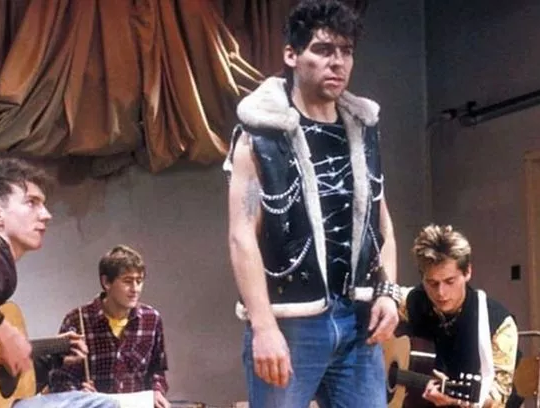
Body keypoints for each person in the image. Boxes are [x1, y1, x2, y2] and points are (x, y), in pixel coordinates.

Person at [223, 0, 400, 407]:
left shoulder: (364, 131)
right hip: (291, 325)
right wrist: (263, 326)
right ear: (291, 55)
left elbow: (382, 225)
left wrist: (388, 292)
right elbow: (241, 236)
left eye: (346, 51)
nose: (337, 62)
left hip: (358, 320)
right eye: (322, 49)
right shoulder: (260, 134)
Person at [0, 157, 119, 408]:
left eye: (44, 205)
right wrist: (1, 330)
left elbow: (4, 382)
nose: (47, 215)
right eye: (32, 203)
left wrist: (52, 355)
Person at [401, 224, 521, 408]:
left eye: (449, 281)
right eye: (432, 283)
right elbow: (380, 301)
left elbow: (498, 396)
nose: (441, 293)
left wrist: (455, 400)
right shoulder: (411, 301)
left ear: (467, 272)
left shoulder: (499, 323)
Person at [49, 245, 170, 408]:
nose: (135, 289)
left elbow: (158, 370)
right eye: (127, 281)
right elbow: (60, 378)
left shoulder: (151, 319)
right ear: (106, 282)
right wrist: (79, 395)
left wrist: (157, 391)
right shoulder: (78, 320)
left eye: (139, 281)